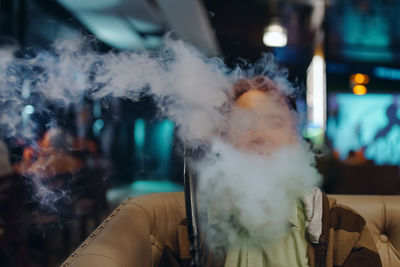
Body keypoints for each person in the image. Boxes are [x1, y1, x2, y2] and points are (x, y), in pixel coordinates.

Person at [164, 76, 382, 267]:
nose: (260, 135)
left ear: (296, 141)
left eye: (275, 123)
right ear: (224, 142)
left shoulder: (343, 229)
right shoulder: (194, 229)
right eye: (244, 123)